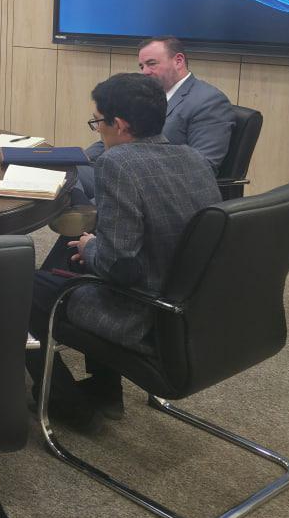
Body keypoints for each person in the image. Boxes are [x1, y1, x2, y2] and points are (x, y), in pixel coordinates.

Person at [28, 73, 221, 429]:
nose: (98, 130)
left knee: (20, 289)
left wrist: (91, 247)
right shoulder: (193, 158)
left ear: (119, 124)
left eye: (98, 122)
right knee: (71, 252)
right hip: (190, 307)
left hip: (142, 313)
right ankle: (105, 391)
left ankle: (67, 405)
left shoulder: (118, 163)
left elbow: (118, 265)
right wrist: (91, 246)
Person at [77, 36, 235, 200]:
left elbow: (204, 166)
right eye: (141, 66)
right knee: (68, 172)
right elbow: (118, 133)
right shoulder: (144, 96)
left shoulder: (208, 101)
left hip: (159, 187)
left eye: (151, 64)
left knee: (75, 192)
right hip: (123, 171)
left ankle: (87, 212)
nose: (144, 72)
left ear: (178, 61)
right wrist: (80, 158)